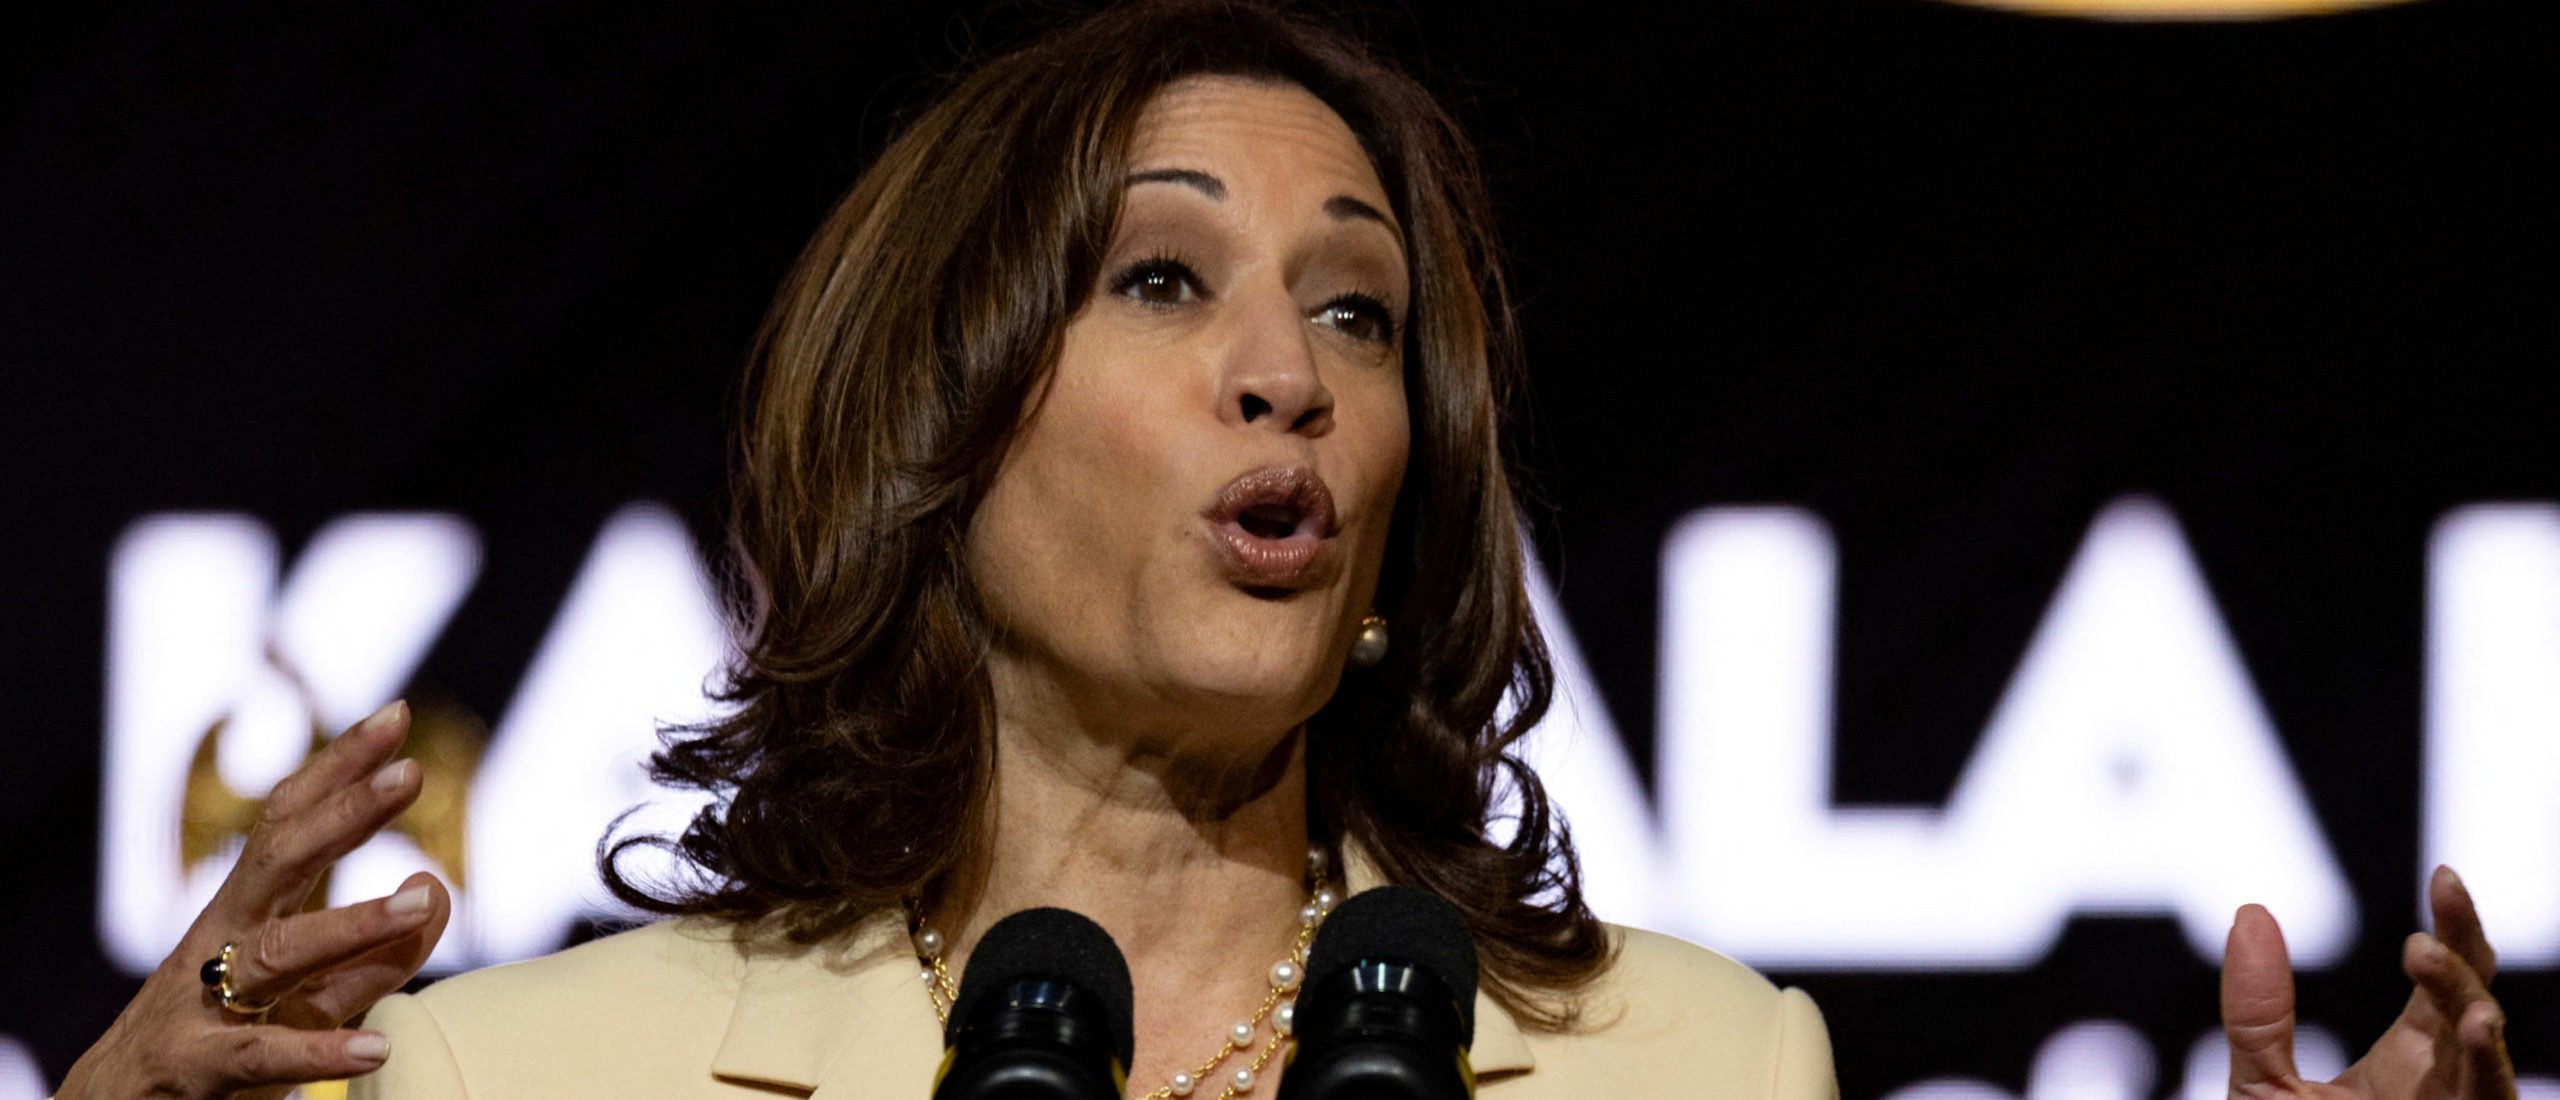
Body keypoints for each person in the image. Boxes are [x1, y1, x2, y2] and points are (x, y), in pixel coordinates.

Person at [56, 2, 2519, 1098]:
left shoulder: (1691, 1069)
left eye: (1358, 307)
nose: (1293, 372)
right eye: (1164, 278)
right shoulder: (529, 1082)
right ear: (939, 406)